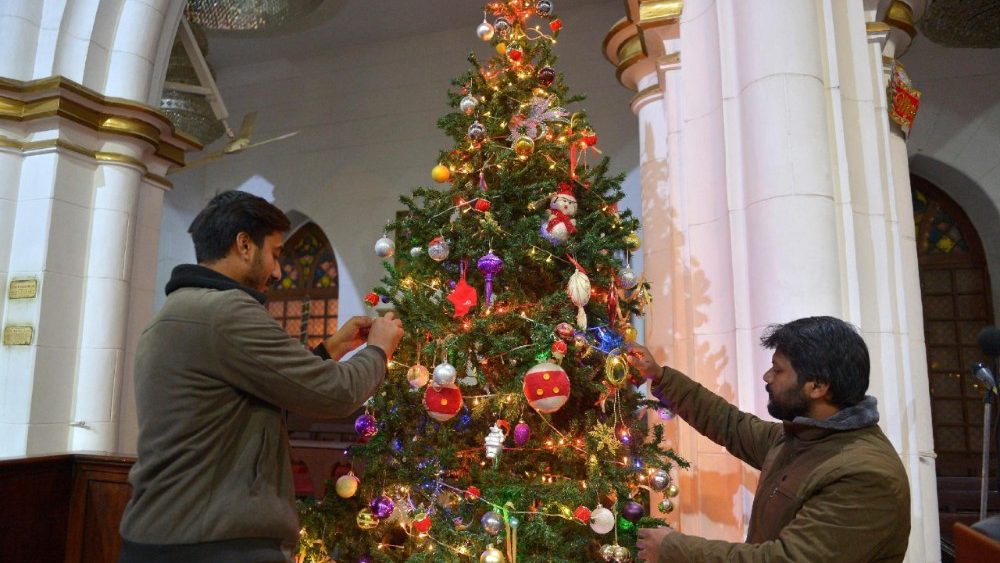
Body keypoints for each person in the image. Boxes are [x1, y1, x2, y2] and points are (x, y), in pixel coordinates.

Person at [119, 190, 404, 563]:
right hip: (215, 542)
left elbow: (267, 382)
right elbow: (335, 393)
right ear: (244, 245)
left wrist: (330, 349)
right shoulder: (226, 311)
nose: (277, 271)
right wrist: (378, 351)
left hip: (175, 534)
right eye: (275, 253)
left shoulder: (180, 311)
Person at [628, 316, 910, 562]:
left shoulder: (864, 476)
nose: (767, 376)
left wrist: (674, 550)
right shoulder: (805, 438)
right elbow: (731, 425)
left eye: (778, 369)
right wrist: (660, 376)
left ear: (818, 386)